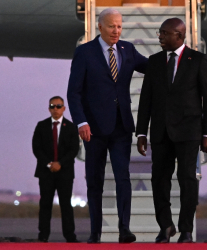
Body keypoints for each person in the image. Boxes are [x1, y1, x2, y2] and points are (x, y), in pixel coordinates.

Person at [67, 8, 148, 243]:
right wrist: (81, 121)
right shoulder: (84, 53)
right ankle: (95, 233)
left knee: (123, 178)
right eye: (112, 26)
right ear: (100, 26)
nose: (116, 31)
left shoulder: (127, 49)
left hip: (121, 126)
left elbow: (151, 67)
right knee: (95, 182)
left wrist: (175, 57)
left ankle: (125, 229)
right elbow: (74, 92)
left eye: (120, 26)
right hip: (93, 129)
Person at [136, 18, 207, 243]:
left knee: (187, 179)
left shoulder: (198, 61)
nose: (159, 37)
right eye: (159, 32)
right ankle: (166, 226)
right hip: (161, 131)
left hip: (189, 131)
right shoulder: (154, 62)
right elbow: (146, 100)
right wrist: (141, 132)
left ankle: (186, 229)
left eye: (164, 33)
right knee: (159, 180)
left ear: (178, 36)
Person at [32, 96, 80, 243]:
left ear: (64, 108)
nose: (55, 109)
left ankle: (70, 236)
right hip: (46, 172)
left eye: (58, 106)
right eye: (52, 106)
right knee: (45, 204)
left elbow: (74, 149)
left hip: (65, 172)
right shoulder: (41, 126)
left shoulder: (71, 127)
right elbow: (36, 148)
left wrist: (60, 163)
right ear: (49, 108)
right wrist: (49, 164)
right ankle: (43, 235)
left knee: (66, 204)